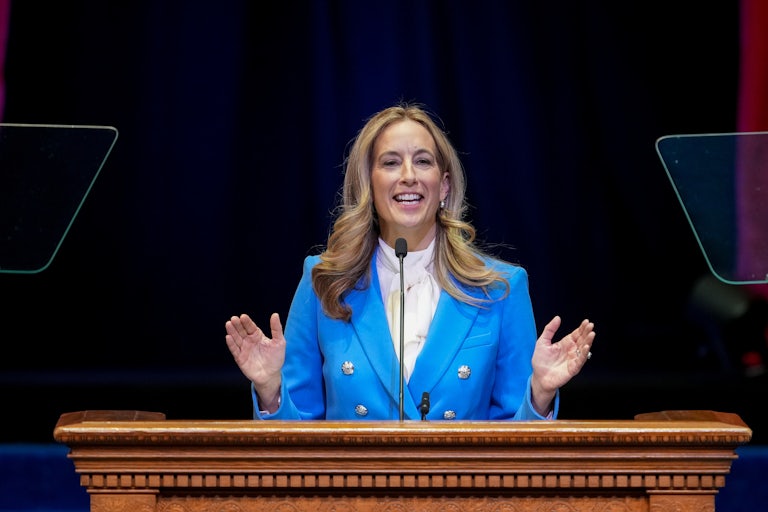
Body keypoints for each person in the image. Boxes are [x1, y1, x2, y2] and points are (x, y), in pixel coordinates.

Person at [225, 102, 595, 421]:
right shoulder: (324, 280)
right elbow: (295, 442)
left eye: (423, 161)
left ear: (444, 185)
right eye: (390, 162)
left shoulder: (500, 288)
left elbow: (516, 453)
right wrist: (270, 388)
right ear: (368, 183)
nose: (408, 177)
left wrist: (541, 393)